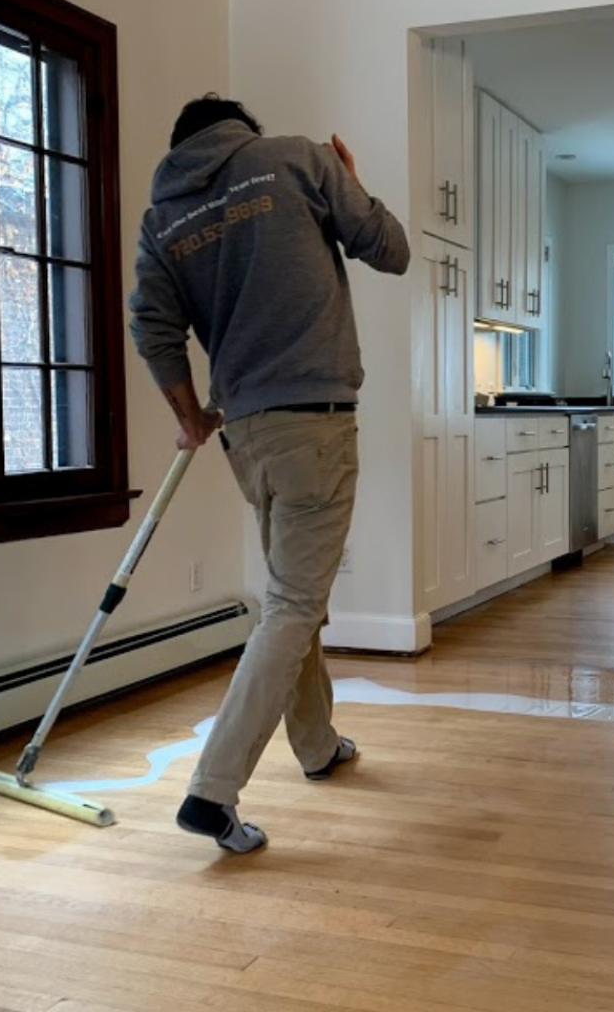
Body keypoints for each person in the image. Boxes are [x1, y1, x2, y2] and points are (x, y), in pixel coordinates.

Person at [128, 95, 411, 852]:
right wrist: (352, 181)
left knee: (294, 595)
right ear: (241, 131)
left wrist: (190, 417)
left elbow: (153, 329)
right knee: (292, 603)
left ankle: (316, 744)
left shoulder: (163, 219)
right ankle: (211, 791)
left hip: (246, 434)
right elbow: (391, 249)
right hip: (314, 422)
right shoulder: (295, 159)